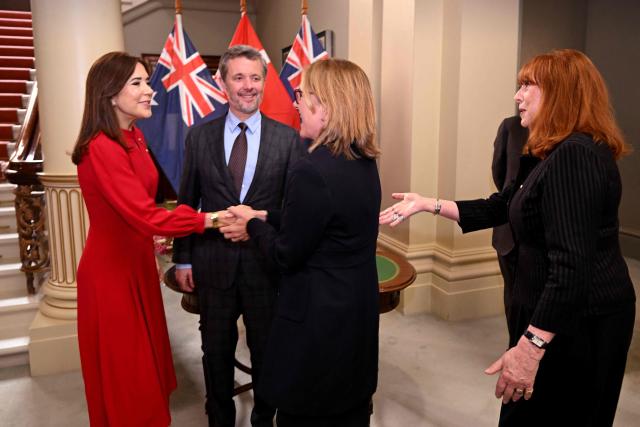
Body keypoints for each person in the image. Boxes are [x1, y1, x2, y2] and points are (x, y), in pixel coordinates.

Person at [380, 49, 635, 427]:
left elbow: (570, 268)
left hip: (581, 324)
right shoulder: (552, 152)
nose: (517, 96)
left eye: (527, 85)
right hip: (554, 315)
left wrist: (530, 349)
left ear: (560, 93)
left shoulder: (575, 157)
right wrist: (428, 204)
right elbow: (502, 206)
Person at [228, 58, 381, 427]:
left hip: (317, 321)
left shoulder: (311, 168)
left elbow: (286, 255)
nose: (296, 103)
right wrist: (266, 216)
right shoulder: (362, 161)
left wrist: (252, 226)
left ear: (325, 108)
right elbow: (325, 223)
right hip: (355, 311)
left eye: (303, 95)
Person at [72, 52, 217, 426]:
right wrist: (208, 220)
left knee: (145, 369)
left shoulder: (132, 136)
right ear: (109, 94)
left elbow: (137, 206)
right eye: (137, 83)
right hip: (111, 278)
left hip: (136, 264)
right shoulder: (100, 147)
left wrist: (151, 245)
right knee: (128, 378)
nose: (149, 91)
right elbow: (144, 213)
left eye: (146, 81)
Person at [172, 45, 304, 427]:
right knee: (215, 354)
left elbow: (292, 211)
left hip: (266, 267)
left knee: (267, 354)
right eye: (239, 77)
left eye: (256, 77)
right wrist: (183, 257)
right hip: (213, 266)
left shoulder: (288, 139)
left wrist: (261, 227)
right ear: (223, 83)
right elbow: (186, 202)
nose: (248, 86)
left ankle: (264, 419)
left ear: (265, 82)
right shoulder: (199, 137)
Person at [490, 116, 528, 335]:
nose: (518, 95)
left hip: (547, 241)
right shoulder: (511, 127)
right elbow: (500, 174)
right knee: (513, 300)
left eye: (528, 86)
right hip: (509, 237)